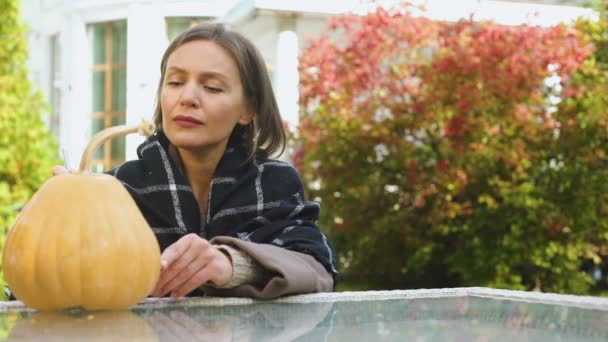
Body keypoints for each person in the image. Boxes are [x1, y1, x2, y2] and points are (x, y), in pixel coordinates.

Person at [53, 23, 337, 299]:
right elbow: (60, 285)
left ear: (248, 109)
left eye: (212, 87)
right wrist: (66, 228)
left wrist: (231, 264)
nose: (187, 97)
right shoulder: (116, 189)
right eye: (175, 82)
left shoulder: (275, 183)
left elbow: (317, 267)